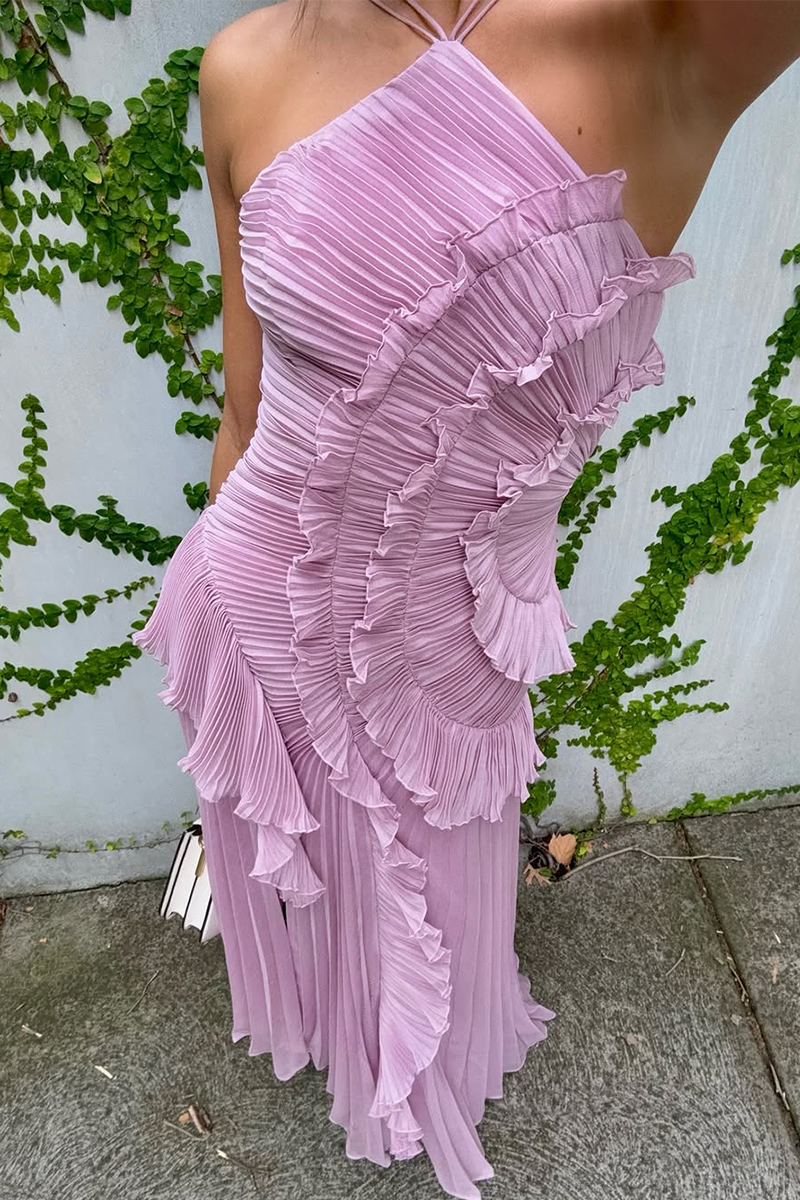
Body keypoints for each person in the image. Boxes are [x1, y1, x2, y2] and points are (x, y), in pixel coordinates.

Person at [133, 3, 800, 1197]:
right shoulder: (244, 66)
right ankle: (341, 1025)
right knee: (319, 894)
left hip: (447, 665)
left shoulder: (665, 37)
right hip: (256, 603)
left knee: (435, 892)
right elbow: (247, 404)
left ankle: (405, 1067)